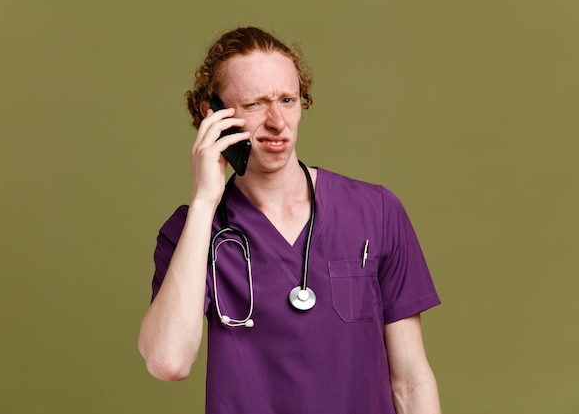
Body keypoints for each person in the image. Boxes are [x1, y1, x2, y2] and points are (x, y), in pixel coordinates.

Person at [138, 26, 442, 414]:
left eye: (287, 99)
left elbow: (411, 382)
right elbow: (168, 362)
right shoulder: (191, 234)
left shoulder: (375, 211)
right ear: (212, 114)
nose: (277, 121)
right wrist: (203, 202)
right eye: (254, 104)